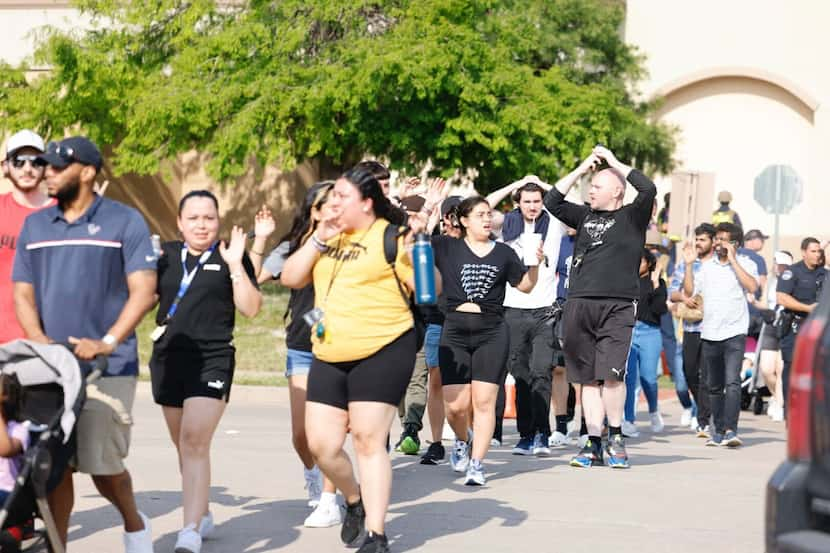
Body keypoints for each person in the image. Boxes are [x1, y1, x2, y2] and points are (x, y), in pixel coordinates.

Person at [280, 167, 442, 553]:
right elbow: (290, 277)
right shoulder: (323, 237)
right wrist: (319, 238)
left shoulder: (390, 236)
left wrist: (420, 250)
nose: (333, 203)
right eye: (331, 196)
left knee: (369, 440)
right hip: (330, 352)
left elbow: (429, 290)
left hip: (384, 348)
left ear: (366, 204)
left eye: (342, 197)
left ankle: (377, 534)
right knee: (321, 445)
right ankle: (353, 499)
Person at [12, 136, 157, 551]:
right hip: (50, 367)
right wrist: (41, 344)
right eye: (46, 167)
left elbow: (144, 291)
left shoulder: (124, 221)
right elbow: (22, 292)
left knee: (102, 466)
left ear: (88, 172)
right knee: (54, 469)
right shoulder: (35, 225)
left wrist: (108, 341)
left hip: (107, 368)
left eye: (58, 167)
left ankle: (133, 523)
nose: (48, 174)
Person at [149, 190, 262, 553]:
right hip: (168, 358)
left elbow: (252, 308)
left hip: (213, 358)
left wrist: (233, 266)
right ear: (179, 223)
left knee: (195, 441)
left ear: (219, 220)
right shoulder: (164, 256)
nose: (202, 224)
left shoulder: (230, 254)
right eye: (193, 218)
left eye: (209, 217)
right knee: (184, 445)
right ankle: (203, 510)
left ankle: (190, 531)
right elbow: (141, 295)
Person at [544, 145, 656, 469]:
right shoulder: (584, 215)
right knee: (587, 379)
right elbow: (553, 201)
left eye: (596, 186)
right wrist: (582, 168)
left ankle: (616, 437)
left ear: (617, 191)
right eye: (589, 187)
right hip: (579, 303)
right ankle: (593, 442)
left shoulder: (633, 217)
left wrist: (615, 163)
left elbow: (648, 187)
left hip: (618, 305)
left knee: (612, 376)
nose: (590, 191)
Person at [433, 196, 541, 484]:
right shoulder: (446, 247)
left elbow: (526, 287)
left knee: (484, 402)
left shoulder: (504, 253)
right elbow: (414, 245)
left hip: (492, 331)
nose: (487, 218)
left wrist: (535, 265)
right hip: (454, 329)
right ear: (464, 220)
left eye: (489, 214)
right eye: (480, 214)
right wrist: (429, 210)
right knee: (455, 407)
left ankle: (477, 464)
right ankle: (462, 440)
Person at [256, 182, 344, 527]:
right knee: (301, 434)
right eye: (329, 203)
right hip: (301, 345)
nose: (336, 209)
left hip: (339, 346)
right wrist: (260, 239)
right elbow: (255, 277)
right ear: (314, 210)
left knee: (328, 433)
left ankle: (329, 499)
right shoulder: (292, 247)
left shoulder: (350, 245)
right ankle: (312, 472)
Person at [497, 179, 563, 456]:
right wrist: (518, 183)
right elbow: (485, 203)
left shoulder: (555, 223)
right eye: (527, 201)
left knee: (540, 373)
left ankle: (542, 435)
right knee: (520, 374)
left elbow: (562, 193)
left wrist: (541, 185)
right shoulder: (505, 227)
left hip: (544, 311)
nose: (533, 206)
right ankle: (525, 435)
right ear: (518, 203)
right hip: (512, 309)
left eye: (537, 200)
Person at [682, 222, 759, 447]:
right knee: (713, 385)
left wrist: (733, 260)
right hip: (710, 332)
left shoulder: (746, 263)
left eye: (722, 240)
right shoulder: (706, 267)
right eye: (716, 239)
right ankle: (717, 430)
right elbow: (690, 293)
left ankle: (730, 430)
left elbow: (753, 287)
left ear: (735, 243)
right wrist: (688, 266)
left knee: (732, 382)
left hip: (735, 332)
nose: (717, 243)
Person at [0, 130, 53, 345]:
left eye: (36, 161)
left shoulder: (65, 213)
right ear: (6, 166)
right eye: (19, 161)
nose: (28, 169)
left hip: (47, 335)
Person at [669, 223, 716, 437]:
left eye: (703, 239)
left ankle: (705, 419)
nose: (698, 243)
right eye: (697, 239)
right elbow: (674, 292)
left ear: (713, 242)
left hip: (714, 327)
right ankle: (705, 409)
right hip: (691, 326)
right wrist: (688, 267)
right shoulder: (687, 264)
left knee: (707, 375)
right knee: (689, 372)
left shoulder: (718, 264)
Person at [776, 237, 827, 415]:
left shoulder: (825, 274)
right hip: (795, 327)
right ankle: (790, 411)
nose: (817, 254)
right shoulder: (792, 272)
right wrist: (807, 308)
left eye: (819, 251)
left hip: (819, 329)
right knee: (791, 367)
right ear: (804, 252)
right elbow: (781, 297)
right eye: (813, 251)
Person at [622, 249, 668, 437]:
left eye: (640, 261)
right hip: (630, 331)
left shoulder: (658, 283)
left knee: (649, 378)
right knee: (629, 379)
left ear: (649, 263)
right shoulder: (626, 281)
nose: (636, 264)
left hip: (650, 332)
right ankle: (629, 421)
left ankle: (654, 410)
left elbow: (659, 309)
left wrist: (656, 284)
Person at [750, 250, 792, 422]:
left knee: (781, 369)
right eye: (777, 263)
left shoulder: (792, 280)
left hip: (786, 326)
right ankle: (776, 396)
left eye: (783, 264)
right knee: (766, 369)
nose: (779, 267)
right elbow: (765, 304)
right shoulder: (770, 280)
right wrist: (754, 302)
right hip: (770, 327)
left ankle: (781, 405)